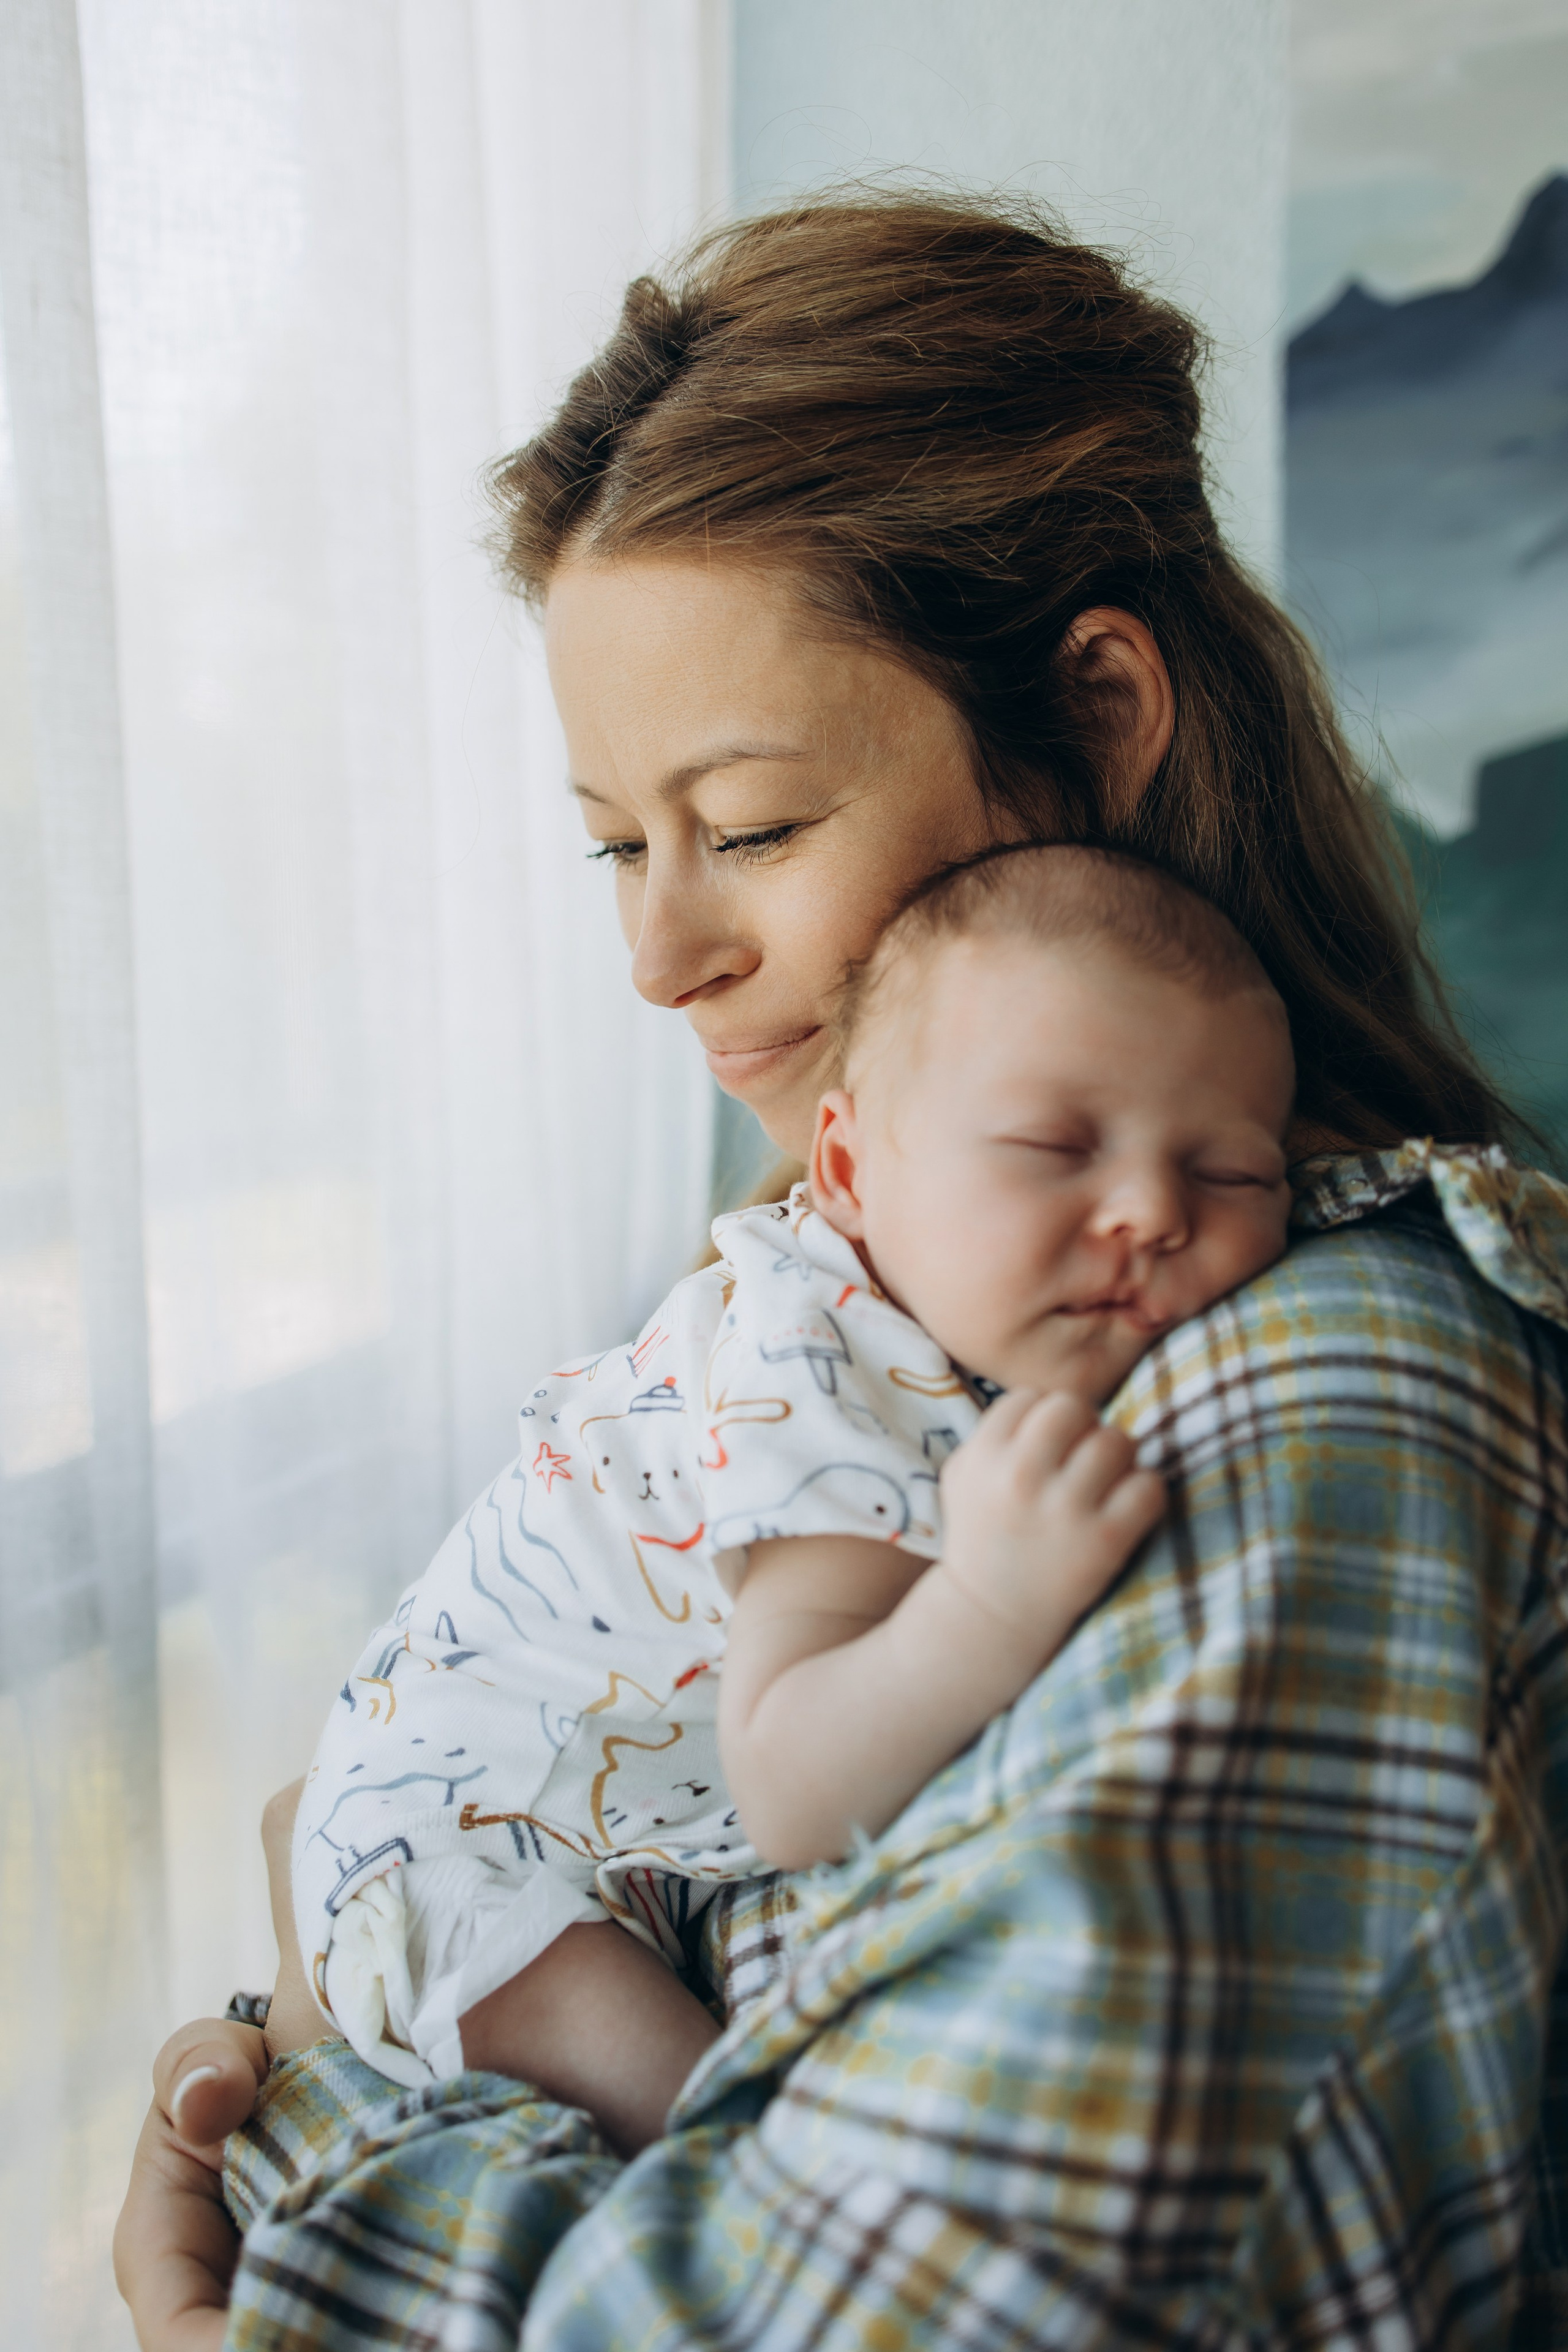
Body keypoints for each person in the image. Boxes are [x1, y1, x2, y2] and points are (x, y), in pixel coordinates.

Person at [115, 189, 1568, 2352]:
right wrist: (353, 1970)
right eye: (621, 845)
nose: (660, 955)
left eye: (755, 827)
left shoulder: (1321, 1406)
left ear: (1096, 717)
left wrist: (308, 2123)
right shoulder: (892, 1311)